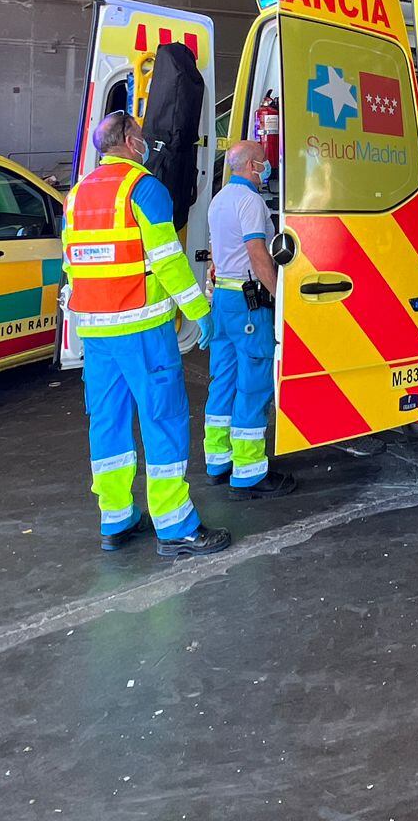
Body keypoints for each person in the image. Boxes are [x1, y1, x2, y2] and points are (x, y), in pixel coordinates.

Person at [61, 112, 230, 559]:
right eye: (142, 136)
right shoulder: (144, 189)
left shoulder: (77, 195)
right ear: (132, 140)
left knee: (107, 423)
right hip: (142, 328)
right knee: (164, 419)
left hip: (96, 333)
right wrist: (198, 310)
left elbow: (71, 263)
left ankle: (116, 518)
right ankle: (175, 525)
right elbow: (168, 260)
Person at [203, 141, 298, 498]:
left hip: (224, 299)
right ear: (254, 165)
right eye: (265, 162)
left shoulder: (219, 199)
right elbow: (258, 255)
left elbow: (216, 251)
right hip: (248, 301)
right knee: (254, 381)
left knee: (223, 379)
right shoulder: (251, 201)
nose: (268, 167)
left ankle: (218, 460)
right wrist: (280, 295)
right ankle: (249, 471)